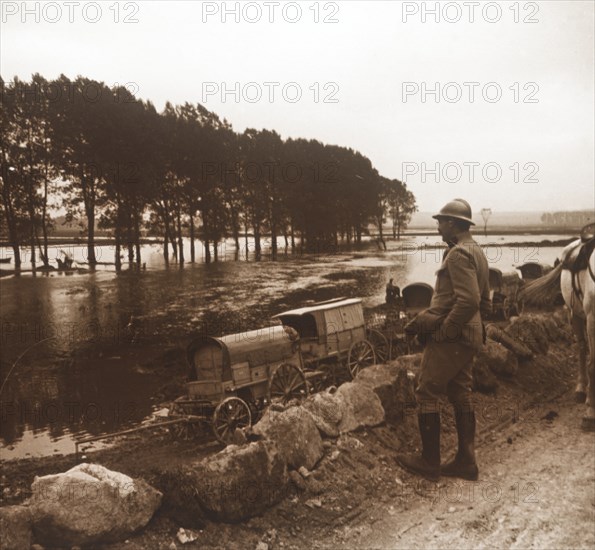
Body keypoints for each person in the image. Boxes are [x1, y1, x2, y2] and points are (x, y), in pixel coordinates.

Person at [396, 199, 490, 482]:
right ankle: (466, 461)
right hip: (468, 335)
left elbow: (469, 300)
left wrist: (446, 332)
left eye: (440, 221)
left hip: (454, 337)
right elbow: (484, 302)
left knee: (426, 392)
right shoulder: (477, 251)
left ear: (452, 224)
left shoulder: (459, 255)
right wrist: (474, 329)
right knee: (460, 392)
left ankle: (429, 462)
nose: (437, 226)